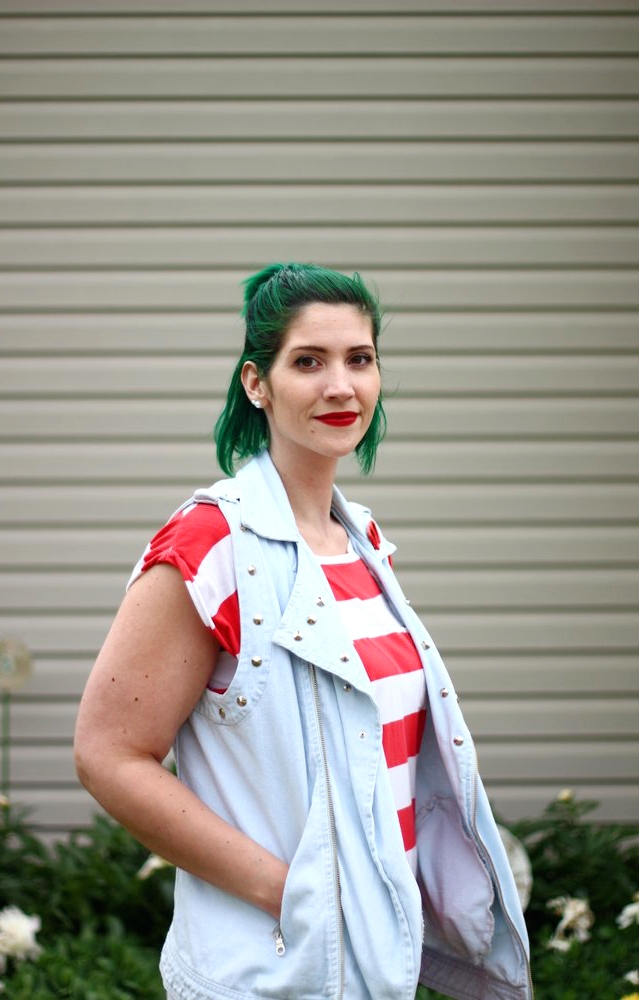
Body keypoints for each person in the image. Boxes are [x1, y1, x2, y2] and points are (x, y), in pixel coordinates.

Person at [74, 263, 532, 1000]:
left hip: (375, 961)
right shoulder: (210, 543)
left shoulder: (362, 544)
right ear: (257, 383)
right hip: (274, 969)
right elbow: (108, 756)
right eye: (308, 362)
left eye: (359, 359)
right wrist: (297, 895)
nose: (340, 386)